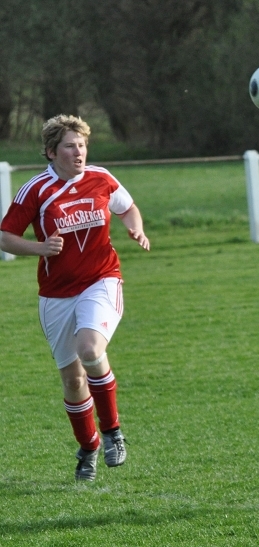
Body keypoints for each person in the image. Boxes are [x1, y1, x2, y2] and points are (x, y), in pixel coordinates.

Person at [0, 114, 150, 481]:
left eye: (82, 145)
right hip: (56, 294)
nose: (79, 152)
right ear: (52, 152)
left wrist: (136, 229)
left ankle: (112, 431)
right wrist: (40, 248)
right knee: (72, 381)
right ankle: (89, 447)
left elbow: (127, 207)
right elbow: (5, 237)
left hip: (101, 279)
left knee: (90, 350)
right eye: (70, 146)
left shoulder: (101, 178)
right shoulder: (36, 190)